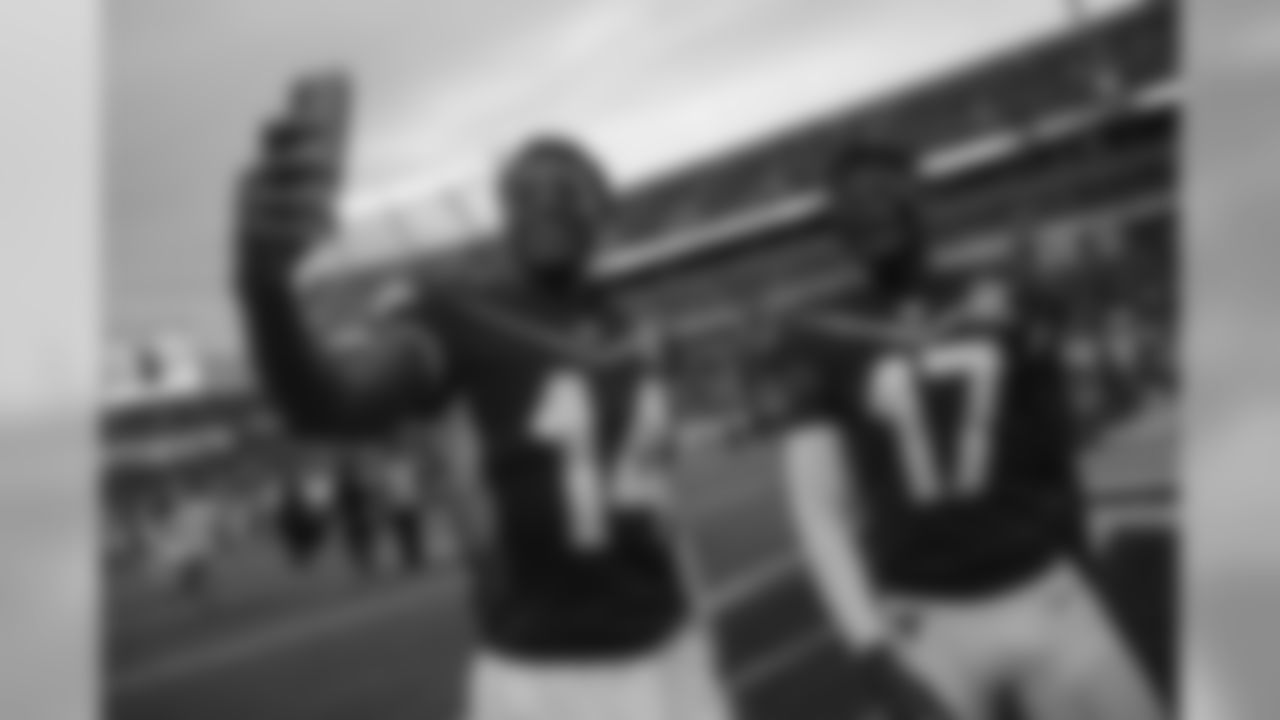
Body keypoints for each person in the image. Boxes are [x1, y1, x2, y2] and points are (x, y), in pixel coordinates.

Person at [232, 72, 732, 720]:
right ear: (505, 214)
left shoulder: (636, 332)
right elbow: (328, 404)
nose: (544, 203)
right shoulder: (454, 314)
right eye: (523, 192)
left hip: (673, 647)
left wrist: (702, 627)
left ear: (604, 215)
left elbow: (661, 504)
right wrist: (264, 287)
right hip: (544, 678)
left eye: (566, 190)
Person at [774, 139, 1165, 720]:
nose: (871, 213)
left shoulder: (1007, 299)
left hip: (1042, 587)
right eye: (852, 205)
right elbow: (817, 509)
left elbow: (1052, 453)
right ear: (838, 227)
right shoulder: (817, 334)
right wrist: (870, 653)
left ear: (919, 197)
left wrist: (1081, 565)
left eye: (882, 194)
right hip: (924, 616)